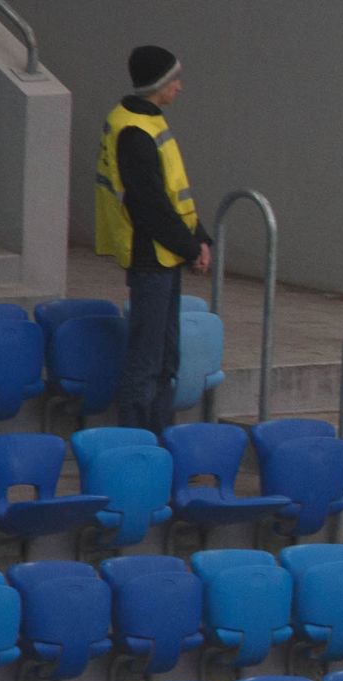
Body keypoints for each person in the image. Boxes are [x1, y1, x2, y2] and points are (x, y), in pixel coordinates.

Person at [95, 45, 213, 432]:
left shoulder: (150, 121)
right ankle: (138, 445)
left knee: (166, 359)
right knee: (146, 362)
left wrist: (199, 237)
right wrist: (190, 246)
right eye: (174, 80)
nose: (180, 87)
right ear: (157, 85)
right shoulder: (133, 129)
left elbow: (174, 193)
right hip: (151, 257)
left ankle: (160, 444)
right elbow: (149, 205)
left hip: (167, 255)